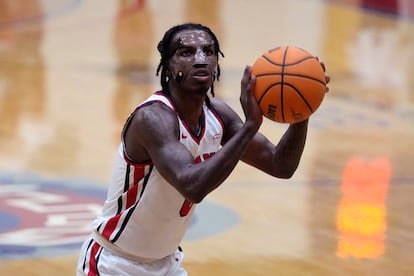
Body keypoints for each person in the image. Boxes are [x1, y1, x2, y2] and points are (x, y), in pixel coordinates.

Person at [77, 22, 330, 276]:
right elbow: (193, 186)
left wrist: (302, 109)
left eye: (208, 51)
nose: (200, 59)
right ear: (168, 66)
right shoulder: (152, 119)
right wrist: (250, 126)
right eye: (186, 52)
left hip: (167, 264)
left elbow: (280, 165)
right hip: (115, 264)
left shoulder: (218, 115)